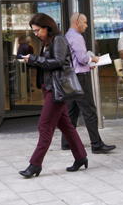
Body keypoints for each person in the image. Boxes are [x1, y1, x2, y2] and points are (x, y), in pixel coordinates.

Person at [19, 13, 88, 178]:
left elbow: (57, 62)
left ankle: (35, 164)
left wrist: (35, 59)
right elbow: (47, 65)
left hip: (57, 90)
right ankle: (81, 157)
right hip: (49, 88)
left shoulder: (59, 39)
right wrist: (31, 61)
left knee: (44, 125)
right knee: (65, 125)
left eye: (37, 30)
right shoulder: (46, 42)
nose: (35, 33)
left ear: (46, 27)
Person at [61, 13, 116, 154]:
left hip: (71, 77)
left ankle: (67, 142)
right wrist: (94, 59)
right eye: (85, 22)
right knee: (90, 111)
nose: (87, 25)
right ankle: (96, 144)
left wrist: (87, 62)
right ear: (77, 22)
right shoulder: (77, 37)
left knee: (72, 111)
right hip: (80, 78)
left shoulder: (67, 35)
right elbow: (83, 59)